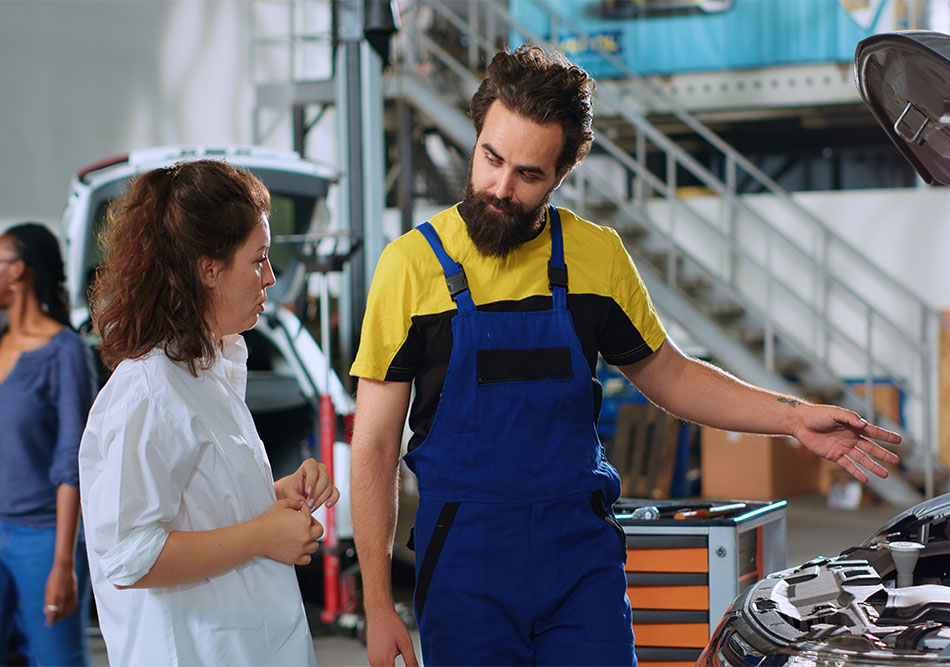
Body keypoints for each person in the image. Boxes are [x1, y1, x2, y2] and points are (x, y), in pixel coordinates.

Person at [349, 44, 903, 667]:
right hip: (464, 567)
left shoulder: (598, 257)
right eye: (491, 157)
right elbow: (372, 445)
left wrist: (794, 416)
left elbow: (668, 373)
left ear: (562, 173)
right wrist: (376, 604)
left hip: (578, 564)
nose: (500, 188)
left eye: (528, 174)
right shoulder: (409, 267)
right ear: (477, 136)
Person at [78, 159, 337, 666]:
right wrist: (263, 535)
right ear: (209, 270)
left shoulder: (208, 369)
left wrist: (274, 494)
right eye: (259, 259)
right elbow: (132, 556)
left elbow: (199, 503)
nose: (270, 276)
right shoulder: (150, 391)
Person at [0, 222, 96, 666]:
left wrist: (63, 563)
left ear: (17, 270)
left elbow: (72, 461)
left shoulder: (66, 351)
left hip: (42, 538)